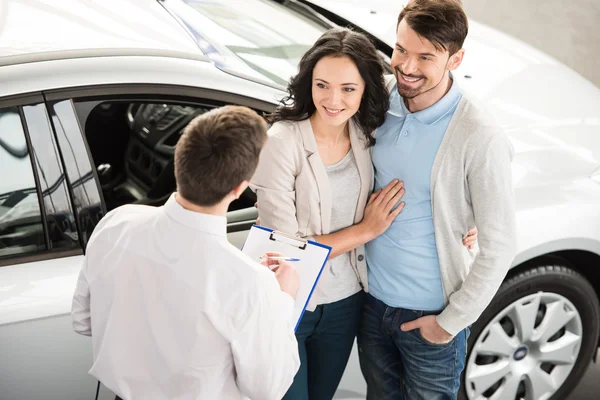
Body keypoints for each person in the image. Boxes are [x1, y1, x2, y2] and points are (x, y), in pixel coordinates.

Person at [250, 28, 477, 400]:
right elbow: (285, 251)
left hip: (346, 303)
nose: (333, 99)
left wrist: (469, 216)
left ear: (365, 90)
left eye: (348, 89)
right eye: (322, 85)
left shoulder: (365, 130)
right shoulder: (282, 142)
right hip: (288, 303)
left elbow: (437, 159)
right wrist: (365, 230)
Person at [71, 106, 301, 400]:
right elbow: (268, 389)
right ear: (240, 188)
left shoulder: (117, 223)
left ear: (178, 161)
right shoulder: (250, 284)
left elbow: (82, 320)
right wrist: (283, 300)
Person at [357, 1, 518, 399]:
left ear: (455, 58)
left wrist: (450, 322)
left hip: (430, 316)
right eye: (401, 50)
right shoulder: (382, 97)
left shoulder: (479, 136)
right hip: (372, 304)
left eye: (425, 57)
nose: (407, 67)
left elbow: (500, 245)